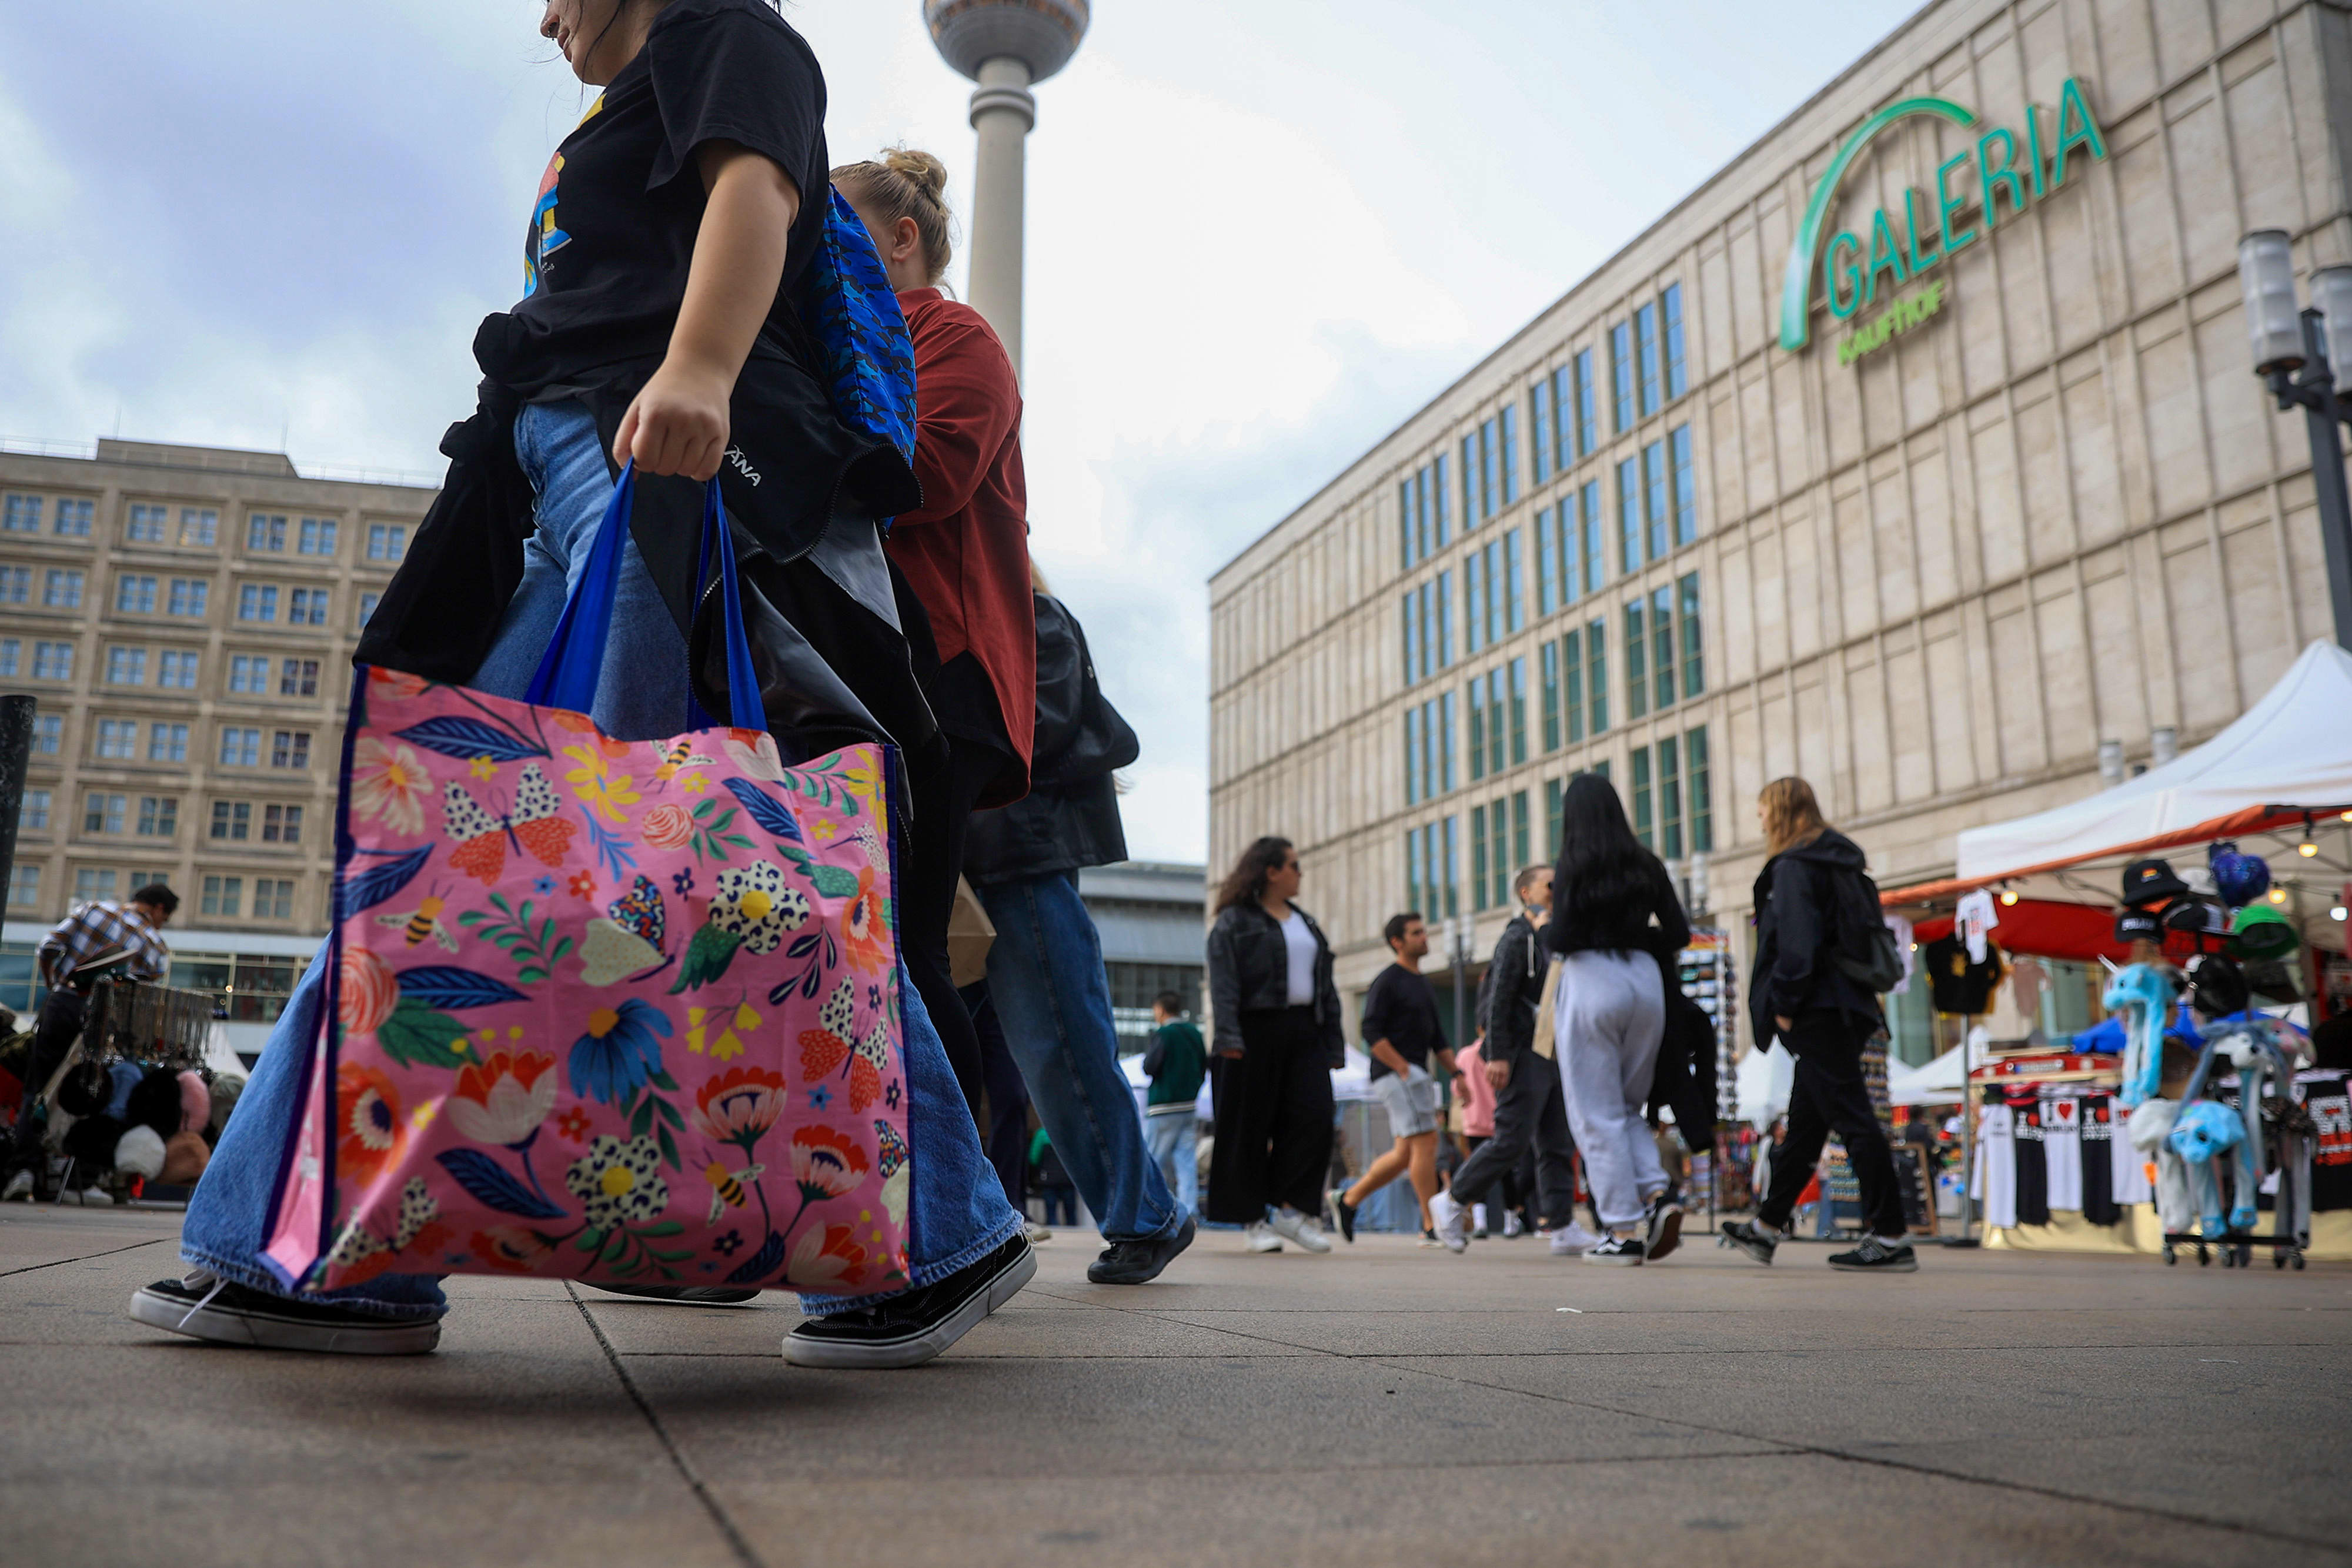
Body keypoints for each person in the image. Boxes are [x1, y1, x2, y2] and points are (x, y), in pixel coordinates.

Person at [130, 0, 1033, 1369]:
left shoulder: (730, 36)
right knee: (445, 845)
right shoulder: (613, 115)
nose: (543, 15)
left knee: (708, 864)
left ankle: (946, 1232)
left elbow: (757, 194)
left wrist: (699, 370)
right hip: (561, 487)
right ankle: (308, 1258)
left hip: (641, 466)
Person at [834, 148, 1035, 1128]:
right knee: (864, 940)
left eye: (830, 231)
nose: (806, 253)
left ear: (901, 239)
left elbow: (932, 472)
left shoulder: (955, 336)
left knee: (904, 943)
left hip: (937, 674)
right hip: (864, 665)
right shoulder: (844, 341)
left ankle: (963, 1214)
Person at [958, 570, 1193, 1285]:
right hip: (986, 863)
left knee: (1058, 1048)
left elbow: (1035, 729)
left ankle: (1144, 1214)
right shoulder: (1017, 616)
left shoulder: (1029, 616)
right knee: (1043, 1049)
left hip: (1014, 861)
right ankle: (1140, 1215)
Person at [1720, 777, 1917, 1273]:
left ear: (1782, 811)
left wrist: (1785, 1002)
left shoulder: (1794, 866)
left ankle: (1891, 1234)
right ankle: (1766, 1227)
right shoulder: (1841, 863)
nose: (1760, 820)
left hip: (1815, 1007)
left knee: (1854, 1118)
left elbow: (1797, 942)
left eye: (1764, 810)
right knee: (1808, 1123)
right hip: (1850, 1003)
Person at [1544, 775, 1691, 1265]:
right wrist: (1637, 939)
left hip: (1592, 981)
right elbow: (1678, 931)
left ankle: (1622, 1229)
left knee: (1595, 1113)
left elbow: (1561, 936)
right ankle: (1658, 1195)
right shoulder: (1646, 862)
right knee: (1628, 1107)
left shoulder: (1573, 864)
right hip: (1645, 984)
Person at [1431, 866, 1591, 1256]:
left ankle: (1561, 1225)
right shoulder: (1517, 936)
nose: (1557, 890)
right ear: (1526, 892)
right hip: (1522, 1051)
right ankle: (1452, 1201)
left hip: (1552, 1051)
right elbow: (1499, 997)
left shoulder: (1551, 936)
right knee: (1510, 1140)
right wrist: (1498, 1054)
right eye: (1549, 884)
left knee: (1557, 1141)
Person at [1204, 837, 1340, 1255]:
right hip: (1252, 1029)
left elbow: (1326, 987)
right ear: (1271, 871)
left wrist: (1333, 1041)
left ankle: (1293, 1210)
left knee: (1316, 1116)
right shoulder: (1234, 921)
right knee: (1249, 1125)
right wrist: (1228, 1035)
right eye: (1295, 866)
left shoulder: (1306, 921)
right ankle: (1252, 1219)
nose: (1301, 873)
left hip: (1304, 1029)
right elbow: (1223, 984)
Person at [4, 884, 179, 1201]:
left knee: (37, 1087)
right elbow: (142, 997)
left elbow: (48, 946)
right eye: (163, 918)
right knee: (92, 1093)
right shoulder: (155, 946)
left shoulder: (93, 910)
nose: (159, 924)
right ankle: (74, 1181)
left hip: (64, 1002)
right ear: (158, 910)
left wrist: (53, 984)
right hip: (104, 1022)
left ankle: (24, 1171)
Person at [1329, 914, 1454, 1244]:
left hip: (1414, 1076)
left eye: (1424, 931)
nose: (1424, 937)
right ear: (1397, 941)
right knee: (1426, 1143)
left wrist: (1460, 1074)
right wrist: (1401, 1068)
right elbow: (1370, 1028)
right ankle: (1429, 1226)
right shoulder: (1388, 980)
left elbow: (1438, 1038)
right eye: (1416, 933)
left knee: (1405, 1154)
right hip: (1395, 1076)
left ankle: (1349, 1199)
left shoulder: (1423, 983)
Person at [1143, 991, 1207, 1221]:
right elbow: (1204, 1064)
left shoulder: (1164, 1034)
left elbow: (1150, 1067)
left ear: (1160, 1009)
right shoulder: (1195, 1033)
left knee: (1152, 1162)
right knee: (1187, 1162)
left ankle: (1150, 1212)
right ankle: (1189, 1213)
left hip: (1163, 1107)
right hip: (1189, 1106)